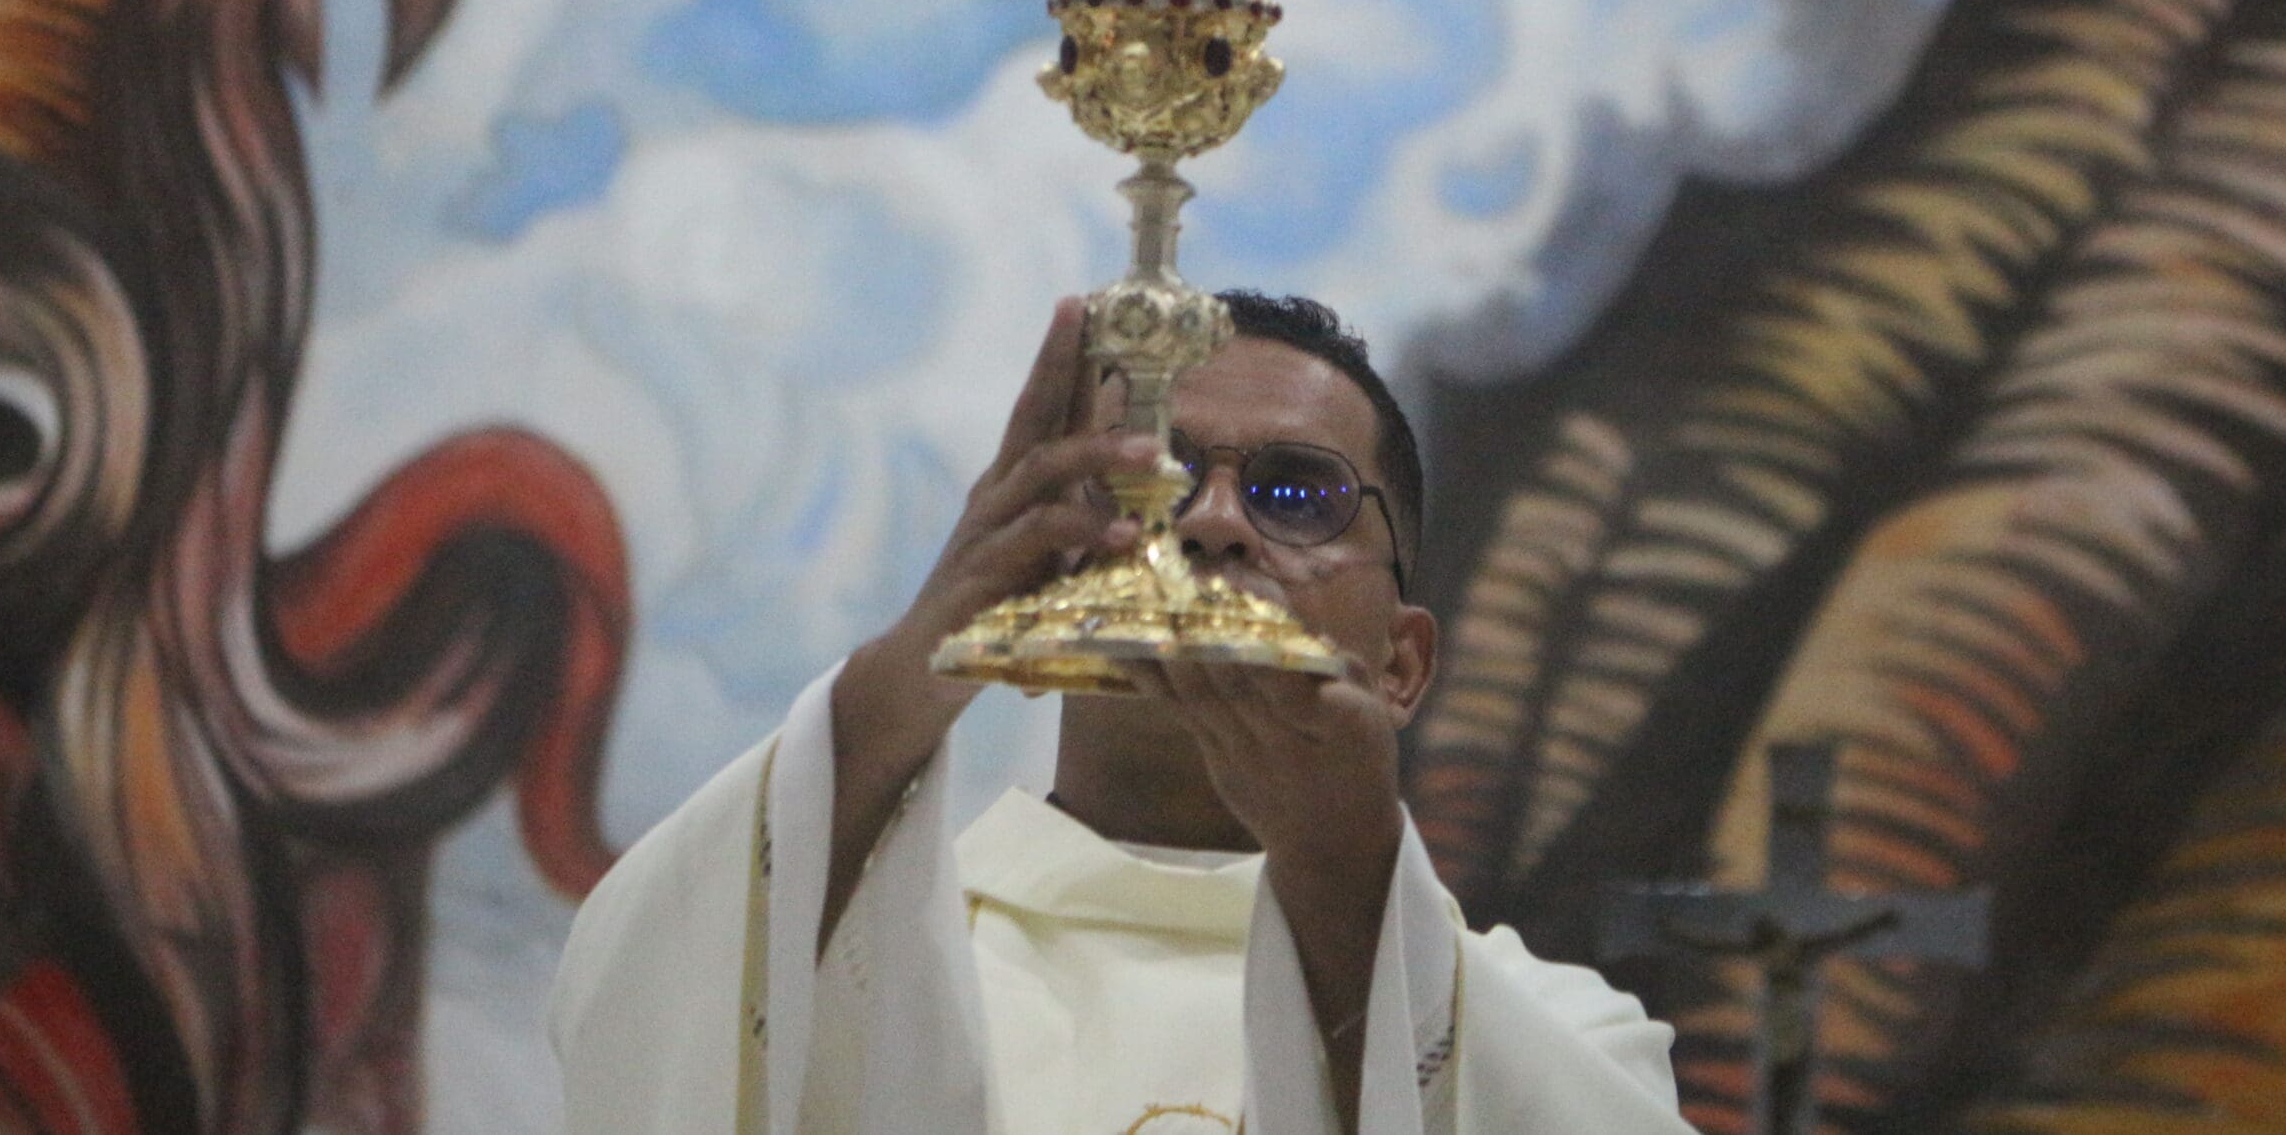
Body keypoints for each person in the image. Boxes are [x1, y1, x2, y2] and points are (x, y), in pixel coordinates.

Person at [550, 292, 1690, 1135]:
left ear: (1400, 665)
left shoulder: (1555, 1031)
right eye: (1155, 483)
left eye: (1296, 492)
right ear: (1044, 589)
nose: (1215, 523)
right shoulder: (858, 953)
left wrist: (1345, 876)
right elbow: (642, 1020)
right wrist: (923, 661)